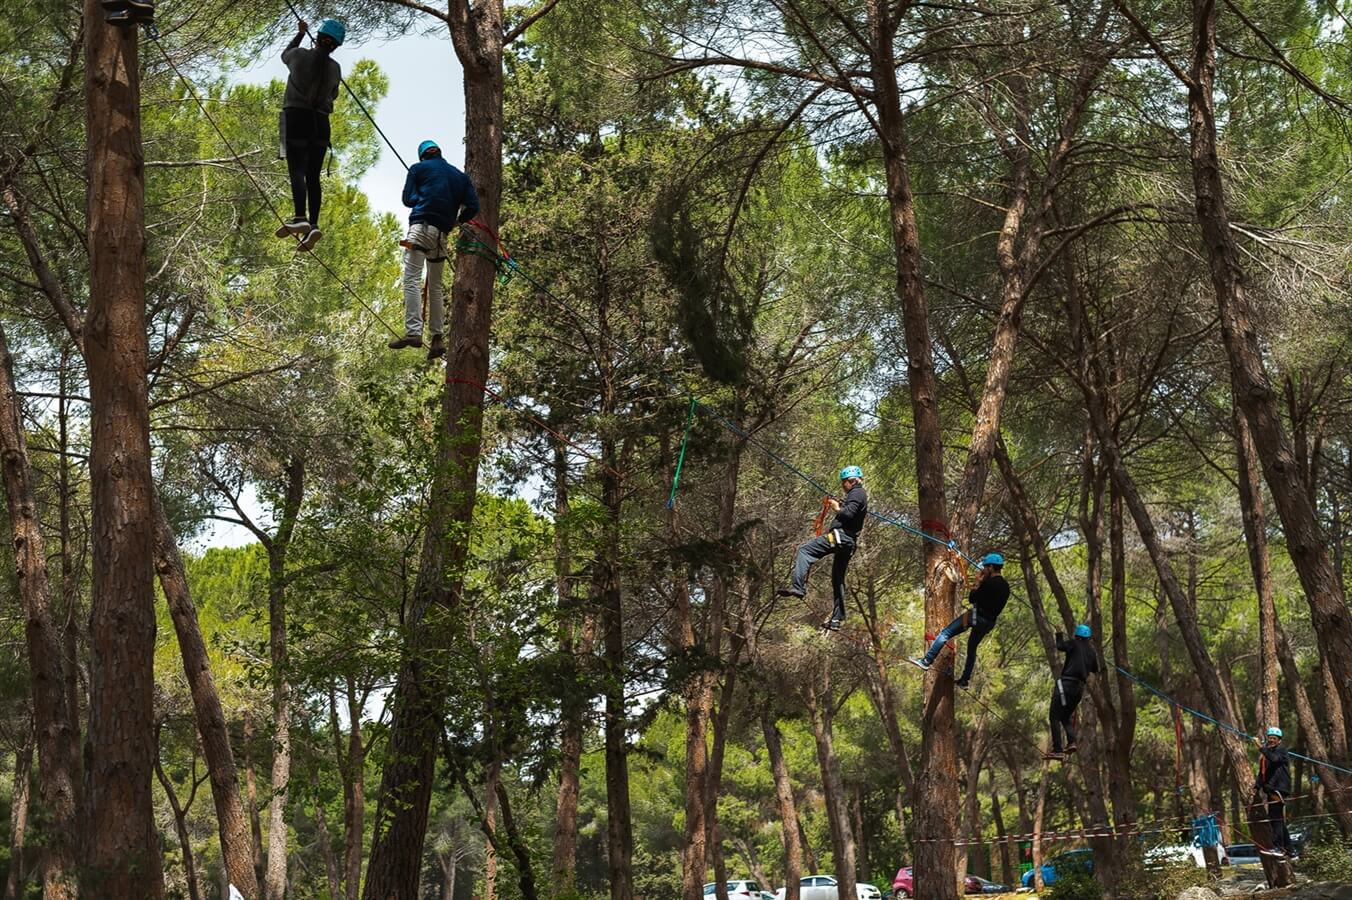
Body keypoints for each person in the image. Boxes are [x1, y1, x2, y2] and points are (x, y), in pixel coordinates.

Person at [388, 140, 480, 357]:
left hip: (421, 227)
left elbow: (408, 200)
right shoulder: (460, 177)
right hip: (441, 235)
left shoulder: (417, 169)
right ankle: (437, 337)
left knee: (412, 278)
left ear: (422, 156)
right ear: (439, 153)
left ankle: (414, 332)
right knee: (436, 286)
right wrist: (457, 220)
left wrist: (423, 196)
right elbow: (473, 207)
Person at [276, 18, 344, 252]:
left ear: (319, 36)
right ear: (336, 46)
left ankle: (299, 217)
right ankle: (313, 225)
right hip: (321, 123)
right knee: (313, 176)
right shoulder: (335, 68)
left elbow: (285, 54)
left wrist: (300, 34)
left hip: (295, 116)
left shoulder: (299, 56)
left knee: (296, 169)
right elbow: (333, 95)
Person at [775, 466, 868, 631]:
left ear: (852, 481)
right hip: (848, 543)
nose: (843, 485)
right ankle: (836, 619)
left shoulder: (857, 493)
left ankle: (798, 587)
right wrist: (842, 503)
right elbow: (851, 512)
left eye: (844, 482)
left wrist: (836, 507)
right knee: (838, 579)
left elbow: (847, 514)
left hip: (840, 537)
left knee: (805, 551)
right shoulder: (858, 495)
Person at [909, 552, 1009, 688]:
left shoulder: (988, 584)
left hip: (975, 617)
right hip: (988, 623)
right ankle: (964, 681)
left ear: (991, 567)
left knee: (946, 633)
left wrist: (978, 583)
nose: (983, 570)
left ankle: (926, 661)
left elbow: (972, 598)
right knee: (972, 648)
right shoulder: (1006, 586)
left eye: (985, 567)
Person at [1043, 624, 1099, 760]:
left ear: (1077, 636)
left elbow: (1060, 646)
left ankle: (1057, 750)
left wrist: (1059, 633)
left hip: (1066, 685)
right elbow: (1094, 669)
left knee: (1054, 717)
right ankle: (1072, 742)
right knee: (1064, 716)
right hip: (1078, 689)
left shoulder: (1074, 643)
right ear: (1088, 638)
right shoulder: (1092, 652)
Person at [1254, 727, 1295, 858]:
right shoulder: (1266, 755)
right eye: (1270, 738)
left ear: (1279, 741)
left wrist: (1261, 748)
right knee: (1278, 820)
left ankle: (1279, 848)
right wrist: (1257, 786)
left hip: (1279, 789)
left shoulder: (1281, 751)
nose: (1271, 740)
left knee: (1275, 818)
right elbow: (1263, 772)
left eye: (1274, 738)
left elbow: (1275, 759)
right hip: (1271, 789)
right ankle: (1290, 851)